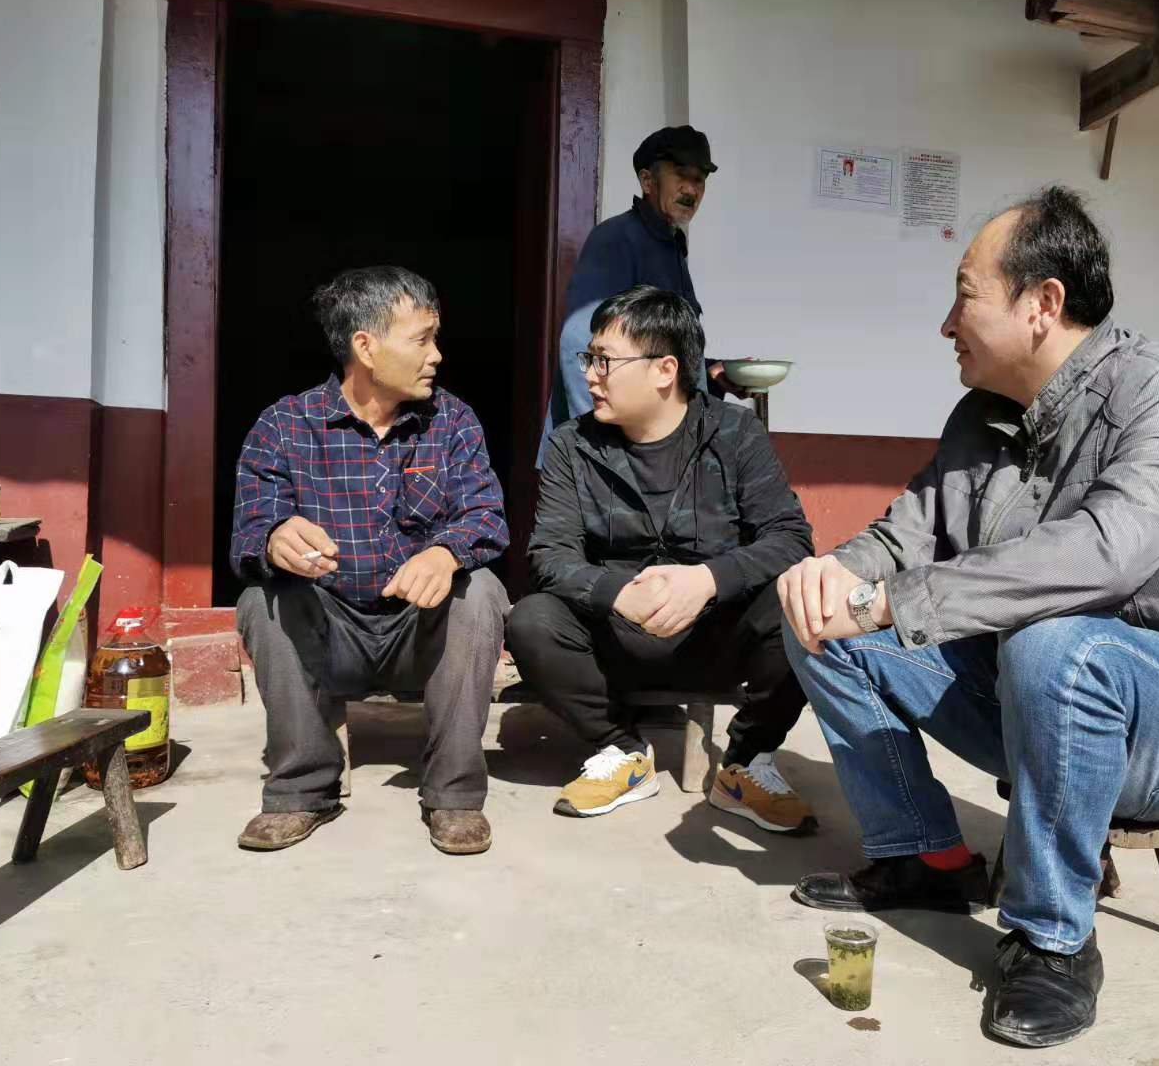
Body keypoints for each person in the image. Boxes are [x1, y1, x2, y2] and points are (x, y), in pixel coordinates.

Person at [776, 187, 1159, 1048]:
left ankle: (1053, 940)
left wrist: (897, 599)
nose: (947, 323)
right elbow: (906, 534)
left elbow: (1104, 553)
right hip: (1029, 694)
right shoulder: (981, 416)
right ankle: (925, 857)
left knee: (1056, 643)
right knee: (822, 623)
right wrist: (835, 577)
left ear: (1042, 303)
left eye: (965, 295)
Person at [509, 286, 817, 830]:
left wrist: (708, 580)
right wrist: (616, 594)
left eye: (605, 360)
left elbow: (790, 538)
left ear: (664, 370)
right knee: (531, 620)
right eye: (589, 359)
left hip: (716, 634)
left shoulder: (735, 434)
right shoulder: (571, 446)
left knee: (802, 601)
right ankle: (622, 751)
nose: (590, 376)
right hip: (614, 639)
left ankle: (745, 763)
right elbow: (550, 554)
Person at [231, 266, 509, 857]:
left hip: (419, 638)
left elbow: (486, 517)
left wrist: (445, 552)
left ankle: (455, 794)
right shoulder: (284, 426)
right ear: (366, 345)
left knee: (481, 590)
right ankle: (302, 790)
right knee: (262, 597)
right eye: (422, 339)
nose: (436, 355)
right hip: (330, 637)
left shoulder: (452, 422)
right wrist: (276, 538)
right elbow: (249, 532)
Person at [538, 125, 746, 460]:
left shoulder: (671, 245)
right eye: (681, 175)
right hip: (606, 455)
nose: (691, 189)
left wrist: (710, 374)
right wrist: (603, 451)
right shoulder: (616, 239)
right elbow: (579, 342)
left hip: (661, 450)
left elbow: (654, 349)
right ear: (648, 181)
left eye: (699, 179)